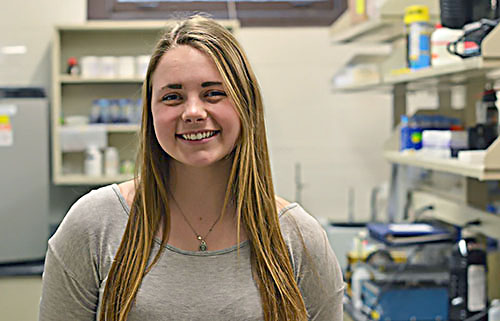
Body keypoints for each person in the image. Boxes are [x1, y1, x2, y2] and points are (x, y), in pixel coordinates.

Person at [39, 15, 344, 321]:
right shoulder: (93, 226)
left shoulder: (299, 238)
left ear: (245, 105)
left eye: (213, 93)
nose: (194, 112)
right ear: (151, 113)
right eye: (173, 97)